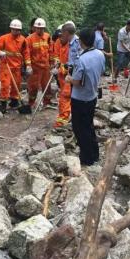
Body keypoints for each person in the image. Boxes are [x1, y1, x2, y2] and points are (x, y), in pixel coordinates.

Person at [65, 28, 105, 166]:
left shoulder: (81, 59)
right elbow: (101, 71)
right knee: (88, 125)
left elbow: (77, 82)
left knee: (79, 128)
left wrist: (68, 78)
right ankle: (95, 154)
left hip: (80, 99)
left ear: (81, 41)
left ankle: (86, 158)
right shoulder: (100, 54)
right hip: (92, 96)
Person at [0, 20, 31, 112]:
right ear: (11, 29)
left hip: (17, 66)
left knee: (17, 84)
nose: (16, 31)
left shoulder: (23, 40)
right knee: (5, 85)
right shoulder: (4, 38)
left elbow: (26, 53)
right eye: (14, 29)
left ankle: (14, 101)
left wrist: (28, 65)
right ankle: (3, 103)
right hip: (5, 65)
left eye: (18, 30)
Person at [27, 18, 54, 108]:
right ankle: (31, 102)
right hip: (35, 67)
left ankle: (47, 102)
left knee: (47, 85)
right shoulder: (30, 39)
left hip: (46, 66)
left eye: (41, 28)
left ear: (44, 28)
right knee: (33, 86)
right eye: (38, 28)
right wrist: (28, 66)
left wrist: (52, 62)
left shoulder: (47, 36)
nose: (39, 30)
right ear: (34, 28)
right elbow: (27, 53)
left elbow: (50, 50)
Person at [53, 26, 71, 128]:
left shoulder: (72, 45)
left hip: (69, 76)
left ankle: (61, 122)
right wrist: (56, 62)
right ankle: (63, 118)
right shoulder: (58, 42)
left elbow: (71, 65)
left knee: (65, 97)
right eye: (59, 36)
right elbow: (56, 55)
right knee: (62, 98)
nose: (60, 38)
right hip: (61, 77)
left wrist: (60, 69)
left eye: (62, 36)